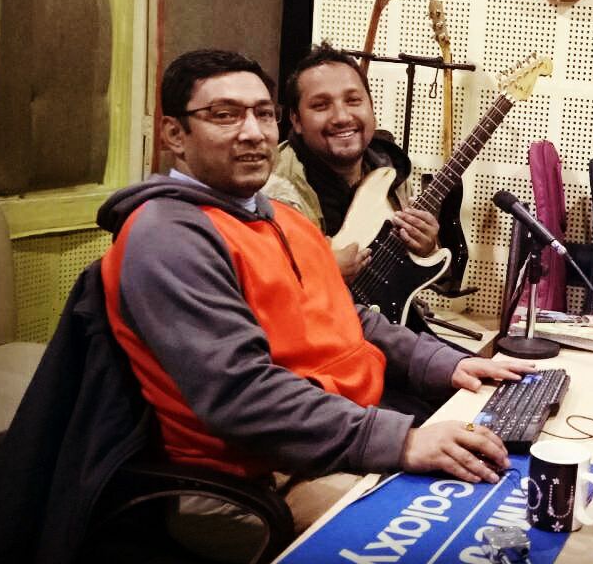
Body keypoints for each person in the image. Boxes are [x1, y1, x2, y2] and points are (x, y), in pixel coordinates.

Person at [98, 49, 532, 559]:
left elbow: (352, 318)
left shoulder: (280, 218)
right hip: (263, 474)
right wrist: (403, 441)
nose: (252, 132)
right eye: (224, 115)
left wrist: (449, 364)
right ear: (174, 134)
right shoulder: (168, 238)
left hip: (343, 431)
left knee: (521, 484)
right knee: (473, 538)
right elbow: (243, 397)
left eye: (262, 114)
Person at [263, 42, 436, 282]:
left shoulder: (391, 173)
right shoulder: (273, 191)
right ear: (296, 120)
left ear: (371, 107)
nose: (342, 117)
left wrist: (424, 249)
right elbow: (261, 285)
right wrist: (320, 272)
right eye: (321, 105)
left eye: (353, 100)